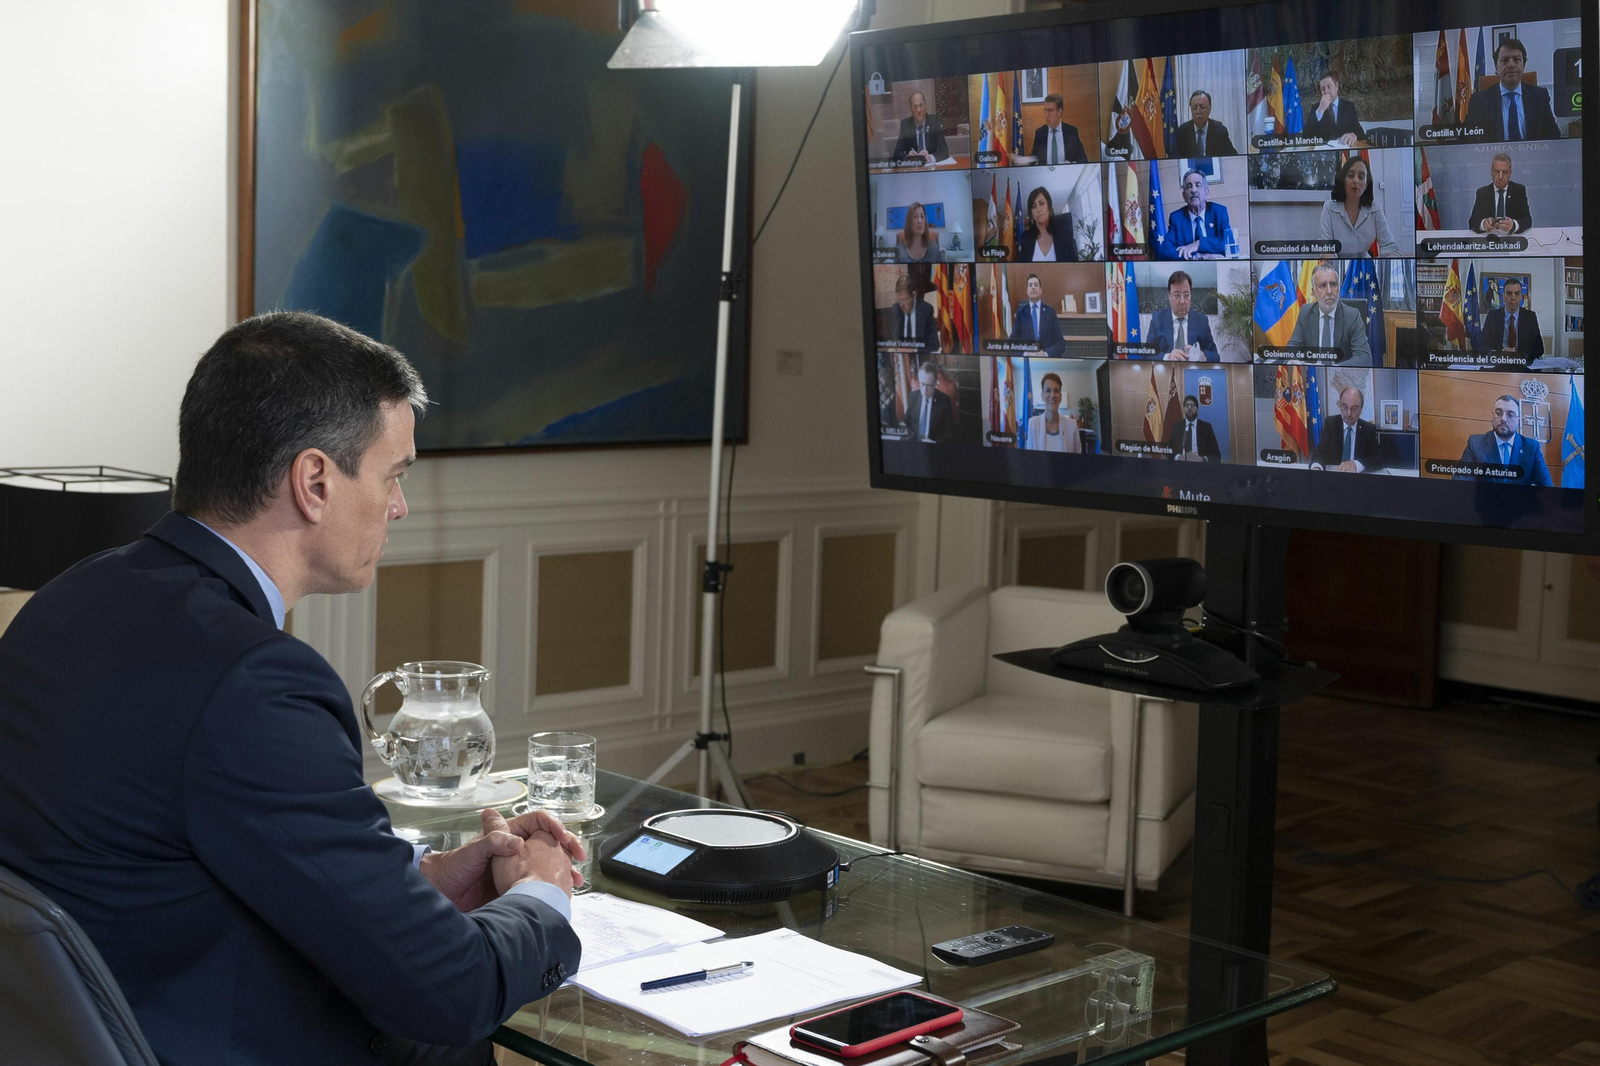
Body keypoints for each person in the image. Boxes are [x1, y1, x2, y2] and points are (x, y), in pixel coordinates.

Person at [0, 312, 584, 1066]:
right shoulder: (254, 680)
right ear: (314, 482)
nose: (400, 507)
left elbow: (171, 852)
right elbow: (450, 990)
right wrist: (544, 896)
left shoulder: (71, 598)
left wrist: (418, 883)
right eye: (393, 476)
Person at [1463, 38, 1561, 142]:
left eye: (1517, 59)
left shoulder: (1540, 97)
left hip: (1532, 156)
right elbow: (1467, 139)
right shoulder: (1479, 101)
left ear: (1523, 65)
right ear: (1496, 67)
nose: (1511, 65)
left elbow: (1554, 136)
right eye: (1504, 60)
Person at [1457, 393, 1553, 485]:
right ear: (1493, 415)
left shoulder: (1531, 448)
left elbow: (1546, 488)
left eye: (1510, 415)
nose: (1503, 419)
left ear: (1518, 420)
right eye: (1498, 413)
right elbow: (1460, 485)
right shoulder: (1476, 444)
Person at [1287, 262, 1372, 364]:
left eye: (1333, 284)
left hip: (1341, 377)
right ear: (1313, 292)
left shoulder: (1352, 316)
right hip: (1313, 377)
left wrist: (1334, 371)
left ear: (1339, 288)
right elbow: (1291, 349)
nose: (1329, 291)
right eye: (1322, 285)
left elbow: (1364, 358)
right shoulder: (1306, 313)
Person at [1318, 154, 1401, 257]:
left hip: (1365, 267)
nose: (1356, 181)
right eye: (1351, 175)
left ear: (1366, 184)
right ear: (1343, 180)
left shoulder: (1375, 209)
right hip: (1338, 266)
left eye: (1361, 177)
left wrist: (1390, 260)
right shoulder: (1329, 208)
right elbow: (1326, 248)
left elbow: (1389, 246)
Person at [1157, 169, 1234, 260]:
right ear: (1184, 196)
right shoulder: (1176, 218)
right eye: (1189, 186)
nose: (1193, 190)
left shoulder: (1219, 212)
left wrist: (1199, 244)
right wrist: (1197, 257)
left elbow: (1230, 245)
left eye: (1198, 185)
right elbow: (1166, 251)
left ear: (1206, 192)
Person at [1145, 270, 1220, 361]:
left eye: (1186, 295)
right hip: (1167, 372)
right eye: (1177, 295)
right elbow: (1147, 354)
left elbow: (1215, 356)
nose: (1182, 301)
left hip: (1193, 373)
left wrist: (1202, 356)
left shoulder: (1201, 321)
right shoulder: (1157, 319)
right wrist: (1168, 357)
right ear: (1169, 296)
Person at [1309, 386, 1384, 471]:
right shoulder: (1331, 423)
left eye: (1354, 408)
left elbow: (1378, 459)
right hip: (1334, 478)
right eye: (1345, 407)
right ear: (1340, 405)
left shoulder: (1368, 429)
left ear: (1361, 409)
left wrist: (1356, 464)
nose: (1348, 413)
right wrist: (1316, 467)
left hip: (1358, 480)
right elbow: (1320, 452)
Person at [1469, 153, 1533, 235]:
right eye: (1496, 172)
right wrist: (1483, 224)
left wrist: (1513, 225)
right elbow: (1472, 221)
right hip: (1489, 241)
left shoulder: (1518, 191)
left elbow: (1527, 220)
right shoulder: (1482, 193)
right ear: (1491, 172)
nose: (1500, 176)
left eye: (1505, 172)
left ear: (1510, 173)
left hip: (1512, 242)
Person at [1480, 277, 1544, 358]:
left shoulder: (1530, 317)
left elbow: (1539, 349)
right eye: (1509, 293)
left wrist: (1521, 355)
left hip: (1522, 364)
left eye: (1517, 294)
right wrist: (1497, 354)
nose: (1513, 298)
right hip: (1499, 362)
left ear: (1521, 296)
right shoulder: (1493, 316)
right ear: (1503, 296)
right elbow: (1482, 345)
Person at [1010, 273, 1066, 358]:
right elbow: (1013, 342)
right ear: (1027, 291)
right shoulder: (1021, 312)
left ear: (1040, 290)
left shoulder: (1050, 312)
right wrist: (1026, 354)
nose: (1033, 287)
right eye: (1030, 285)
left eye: (1036, 285)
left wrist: (1046, 354)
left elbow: (1060, 343)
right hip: (1027, 360)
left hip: (1047, 361)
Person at [1016, 187, 1079, 262]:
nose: (1038, 209)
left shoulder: (1065, 234)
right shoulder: (1026, 238)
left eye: (1041, 203)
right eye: (1034, 206)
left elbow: (1074, 267)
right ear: (1031, 214)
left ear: (1049, 208)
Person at [1025, 371, 1082, 452]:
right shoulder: (1033, 424)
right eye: (1048, 390)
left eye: (1056, 391)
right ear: (1042, 396)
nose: (1052, 395)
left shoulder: (1072, 426)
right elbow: (1030, 459)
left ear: (1061, 397)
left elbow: (1078, 459)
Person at [1170, 91, 1238, 157]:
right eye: (1195, 108)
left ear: (1209, 109)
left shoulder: (1220, 131)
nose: (1198, 112)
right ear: (1191, 110)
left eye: (1202, 107)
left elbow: (1233, 156)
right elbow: (1174, 156)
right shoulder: (1183, 131)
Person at [1304, 72, 1365, 145]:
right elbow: (1305, 136)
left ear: (1336, 86)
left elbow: (1361, 133)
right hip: (1323, 152)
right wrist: (1321, 110)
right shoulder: (1316, 108)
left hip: (1343, 152)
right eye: (1323, 89)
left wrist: (1354, 135)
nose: (1326, 91)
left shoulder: (1348, 106)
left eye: (1329, 86)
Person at [1030, 93, 1088, 164]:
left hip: (1066, 173)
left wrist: (1071, 164)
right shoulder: (1040, 133)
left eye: (1051, 111)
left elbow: (1083, 159)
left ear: (1059, 112)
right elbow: (1034, 157)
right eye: (1046, 111)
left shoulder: (1071, 131)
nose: (1047, 115)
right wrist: (1025, 161)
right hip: (1046, 174)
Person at [905, 361, 955, 442]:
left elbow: (951, 432)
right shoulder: (913, 397)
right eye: (922, 384)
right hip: (914, 444)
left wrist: (935, 443)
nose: (924, 390)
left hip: (933, 446)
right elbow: (906, 422)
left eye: (929, 385)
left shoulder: (944, 400)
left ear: (935, 384)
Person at [887, 274, 937, 350]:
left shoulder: (926, 310)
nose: (902, 305)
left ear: (914, 295)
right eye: (899, 300)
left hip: (920, 357)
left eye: (905, 300)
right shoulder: (896, 310)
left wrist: (914, 349)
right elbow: (891, 339)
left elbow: (934, 344)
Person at [1166, 394, 1221, 461]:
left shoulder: (1206, 428)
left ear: (1197, 410)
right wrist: (1178, 457)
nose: (1189, 408)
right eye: (1187, 405)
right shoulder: (1177, 427)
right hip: (1180, 466)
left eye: (1192, 405)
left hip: (1199, 467)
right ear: (1184, 409)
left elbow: (1216, 455)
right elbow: (1168, 451)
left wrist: (1201, 459)